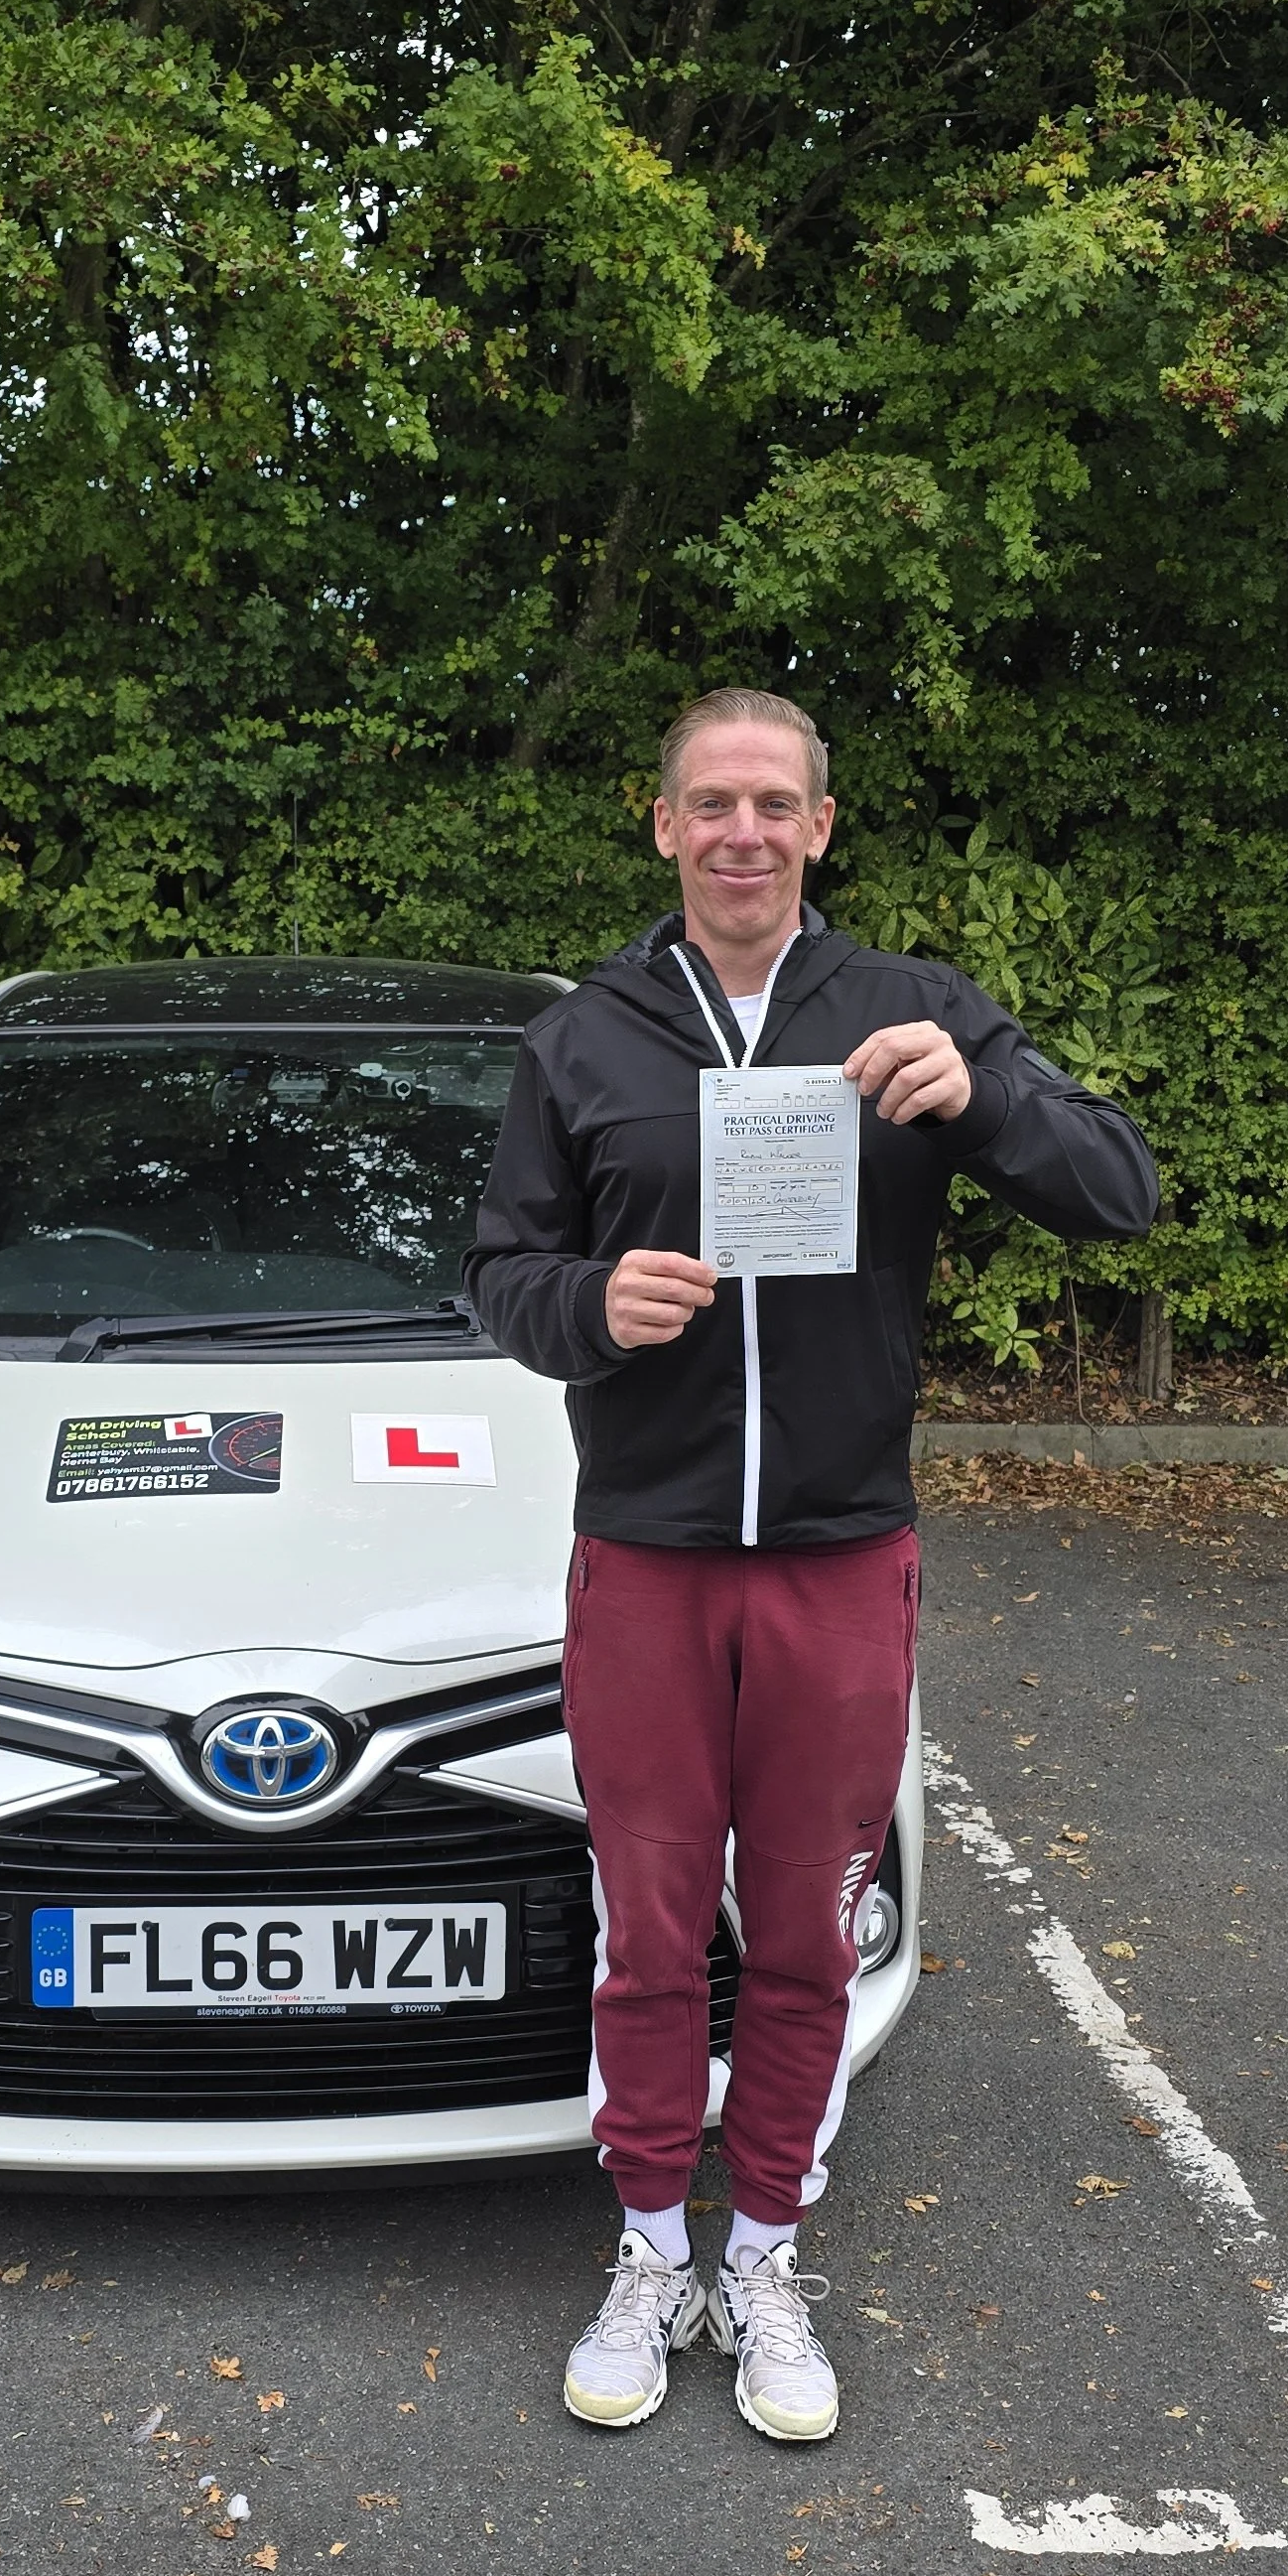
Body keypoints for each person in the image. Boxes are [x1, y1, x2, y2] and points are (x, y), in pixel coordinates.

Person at [467, 687, 1157, 2443]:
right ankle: (645, 2246)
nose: (744, 833)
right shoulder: (586, 1038)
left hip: (842, 1555)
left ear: (822, 828)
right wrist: (586, 1312)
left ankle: (763, 2247)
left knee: (802, 1935)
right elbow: (498, 1273)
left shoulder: (914, 1014)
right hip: (646, 1549)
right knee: (644, 1933)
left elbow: (1120, 1192)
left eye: (775, 803)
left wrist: (989, 1091)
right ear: (663, 824)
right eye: (712, 803)